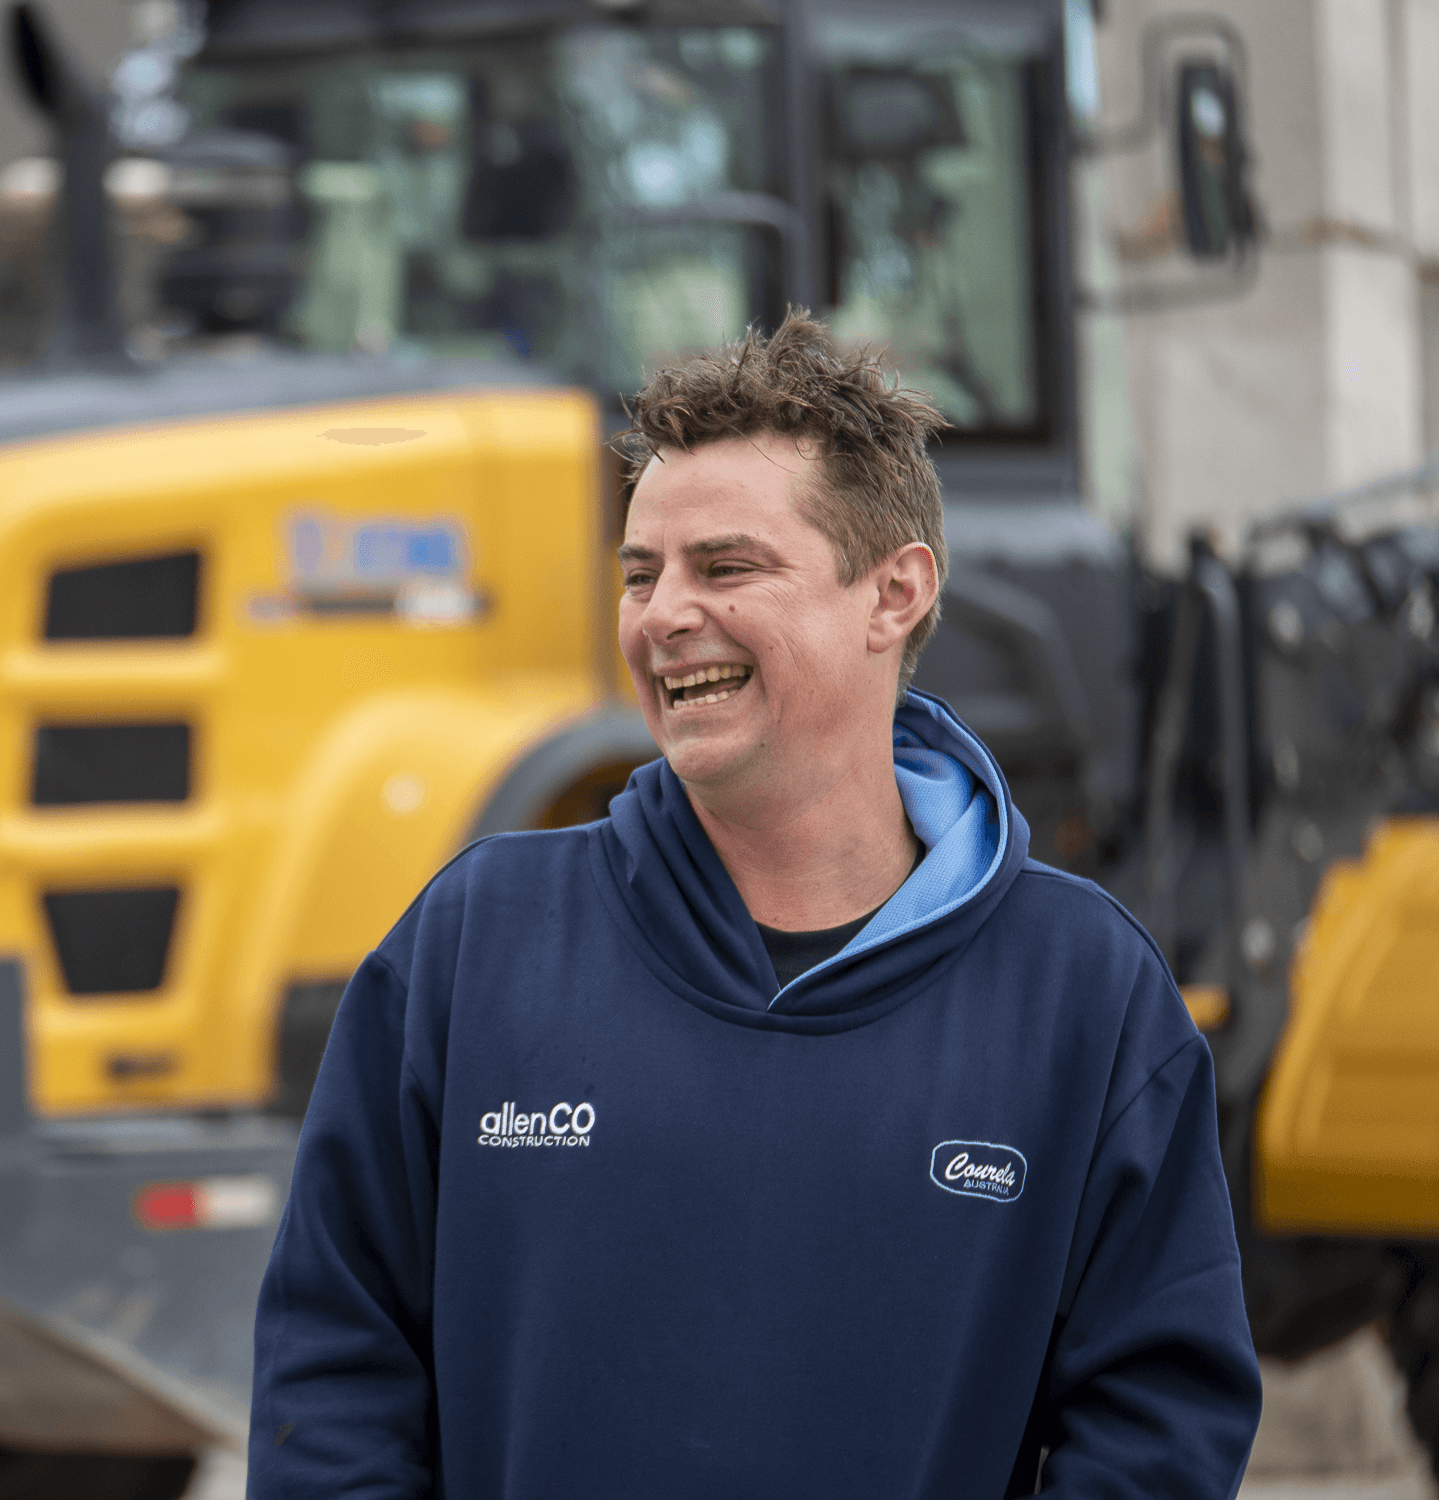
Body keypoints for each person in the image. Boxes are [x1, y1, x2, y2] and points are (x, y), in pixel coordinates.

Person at [249, 310, 1261, 1497]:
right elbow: (333, 1370)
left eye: (725, 567)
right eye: (641, 574)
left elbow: (1158, 1421)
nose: (663, 614)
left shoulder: (1083, 991)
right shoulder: (475, 945)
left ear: (893, 595)